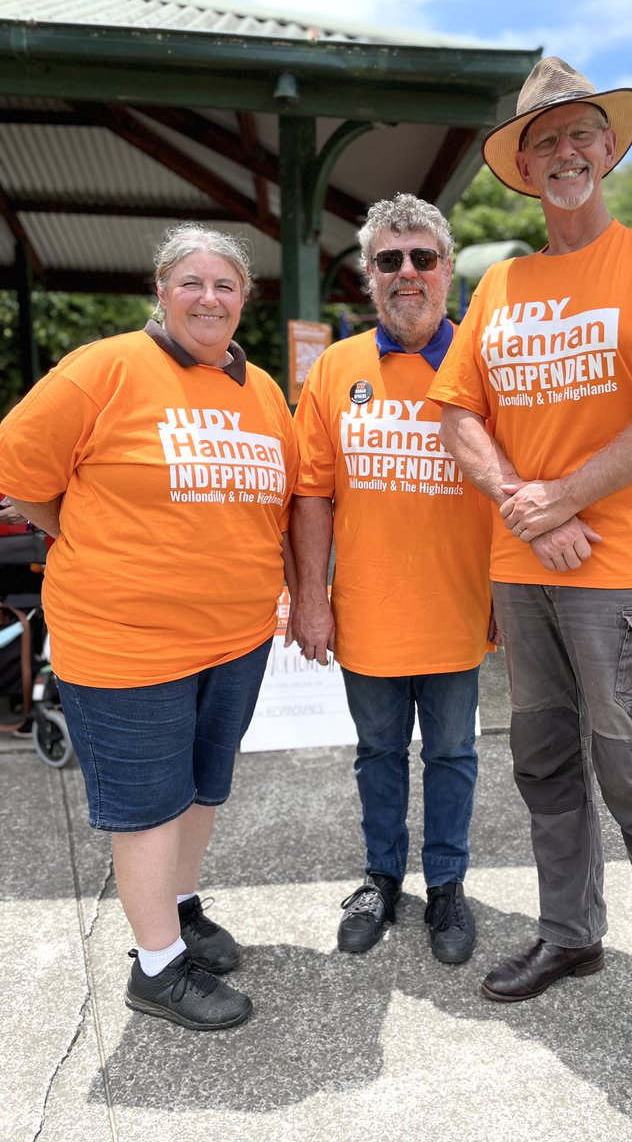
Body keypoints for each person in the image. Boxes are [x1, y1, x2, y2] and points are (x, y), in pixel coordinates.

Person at [430, 58, 632, 1134]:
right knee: (547, 769)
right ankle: (571, 934)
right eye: (543, 142)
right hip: (526, 577)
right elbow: (456, 412)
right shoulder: (501, 286)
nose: (564, 154)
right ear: (523, 168)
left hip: (628, 578)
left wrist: (566, 495)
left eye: (580, 135)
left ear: (607, 148)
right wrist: (528, 505)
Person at [0, 224, 298, 1031]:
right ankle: (157, 968)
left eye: (225, 284)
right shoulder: (102, 369)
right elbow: (23, 476)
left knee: (203, 785)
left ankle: (180, 907)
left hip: (236, 637)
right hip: (126, 639)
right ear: (161, 291)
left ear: (244, 298)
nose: (209, 298)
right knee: (148, 804)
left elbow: (278, 504)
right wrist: (88, 532)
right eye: (191, 282)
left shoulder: (263, 391)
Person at [291, 193, 494, 964]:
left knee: (452, 756)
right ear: (368, 274)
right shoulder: (337, 368)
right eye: (389, 259)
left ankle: (446, 884)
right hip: (368, 612)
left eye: (422, 258)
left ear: (446, 268)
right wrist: (312, 599)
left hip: (457, 609)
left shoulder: (484, 363)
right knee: (377, 753)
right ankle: (381, 879)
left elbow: (515, 481)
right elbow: (311, 492)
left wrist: (507, 594)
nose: (407, 272)